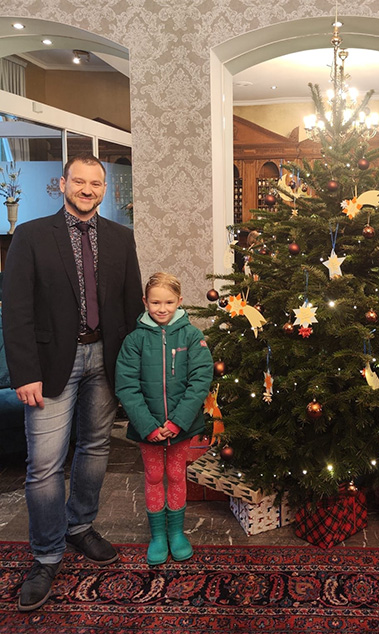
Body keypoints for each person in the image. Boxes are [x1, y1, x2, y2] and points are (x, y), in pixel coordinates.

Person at [2, 154, 142, 611]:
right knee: (44, 464)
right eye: (79, 181)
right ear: (63, 183)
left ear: (105, 188)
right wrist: (25, 373)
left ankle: (80, 526)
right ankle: (46, 555)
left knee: (96, 447)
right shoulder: (32, 235)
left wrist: (130, 367)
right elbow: (16, 309)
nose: (87, 189)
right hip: (49, 365)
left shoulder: (122, 238)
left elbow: (130, 308)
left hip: (106, 357)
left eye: (95, 182)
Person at [114, 272, 213, 565]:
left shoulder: (193, 337)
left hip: (180, 428)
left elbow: (200, 381)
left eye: (169, 302)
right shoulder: (134, 341)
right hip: (149, 429)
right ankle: (158, 535)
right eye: (155, 302)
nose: (161, 308)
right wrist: (148, 426)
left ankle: (177, 533)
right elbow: (127, 386)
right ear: (145, 301)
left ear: (179, 302)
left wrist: (177, 422)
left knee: (176, 475)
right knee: (155, 476)